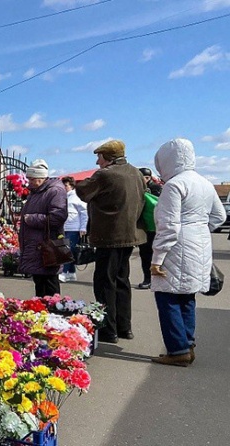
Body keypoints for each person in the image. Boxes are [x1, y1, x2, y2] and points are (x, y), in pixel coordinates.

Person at [149, 139, 224, 367]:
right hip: (200, 244)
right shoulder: (205, 182)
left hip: (176, 246)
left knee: (168, 296)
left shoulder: (174, 185)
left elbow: (169, 226)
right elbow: (219, 216)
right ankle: (187, 344)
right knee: (188, 296)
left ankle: (177, 349)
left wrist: (156, 259)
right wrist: (199, 229)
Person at [75, 140, 146, 344]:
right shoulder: (136, 173)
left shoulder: (105, 174)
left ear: (108, 157)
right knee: (122, 282)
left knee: (105, 282)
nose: (97, 161)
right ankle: (125, 327)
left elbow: (82, 191)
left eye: (99, 157)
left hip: (110, 236)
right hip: (130, 235)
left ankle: (108, 330)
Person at [18, 160, 68, 298]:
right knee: (40, 284)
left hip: (47, 247)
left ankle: (53, 315)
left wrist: (31, 219)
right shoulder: (36, 192)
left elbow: (58, 217)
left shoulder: (55, 191)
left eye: (32, 179)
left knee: (50, 286)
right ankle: (42, 314)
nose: (29, 182)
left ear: (41, 178)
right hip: (37, 246)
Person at [137, 167, 162, 289]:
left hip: (156, 227)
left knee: (156, 255)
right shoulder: (137, 189)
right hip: (144, 227)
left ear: (147, 178)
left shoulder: (157, 189)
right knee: (145, 255)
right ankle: (147, 278)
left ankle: (156, 278)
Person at [59, 176, 87, 283]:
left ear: (71, 186)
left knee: (67, 250)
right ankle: (71, 273)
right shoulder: (63, 197)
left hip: (74, 228)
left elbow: (84, 213)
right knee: (68, 250)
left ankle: (63, 272)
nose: (64, 187)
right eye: (63, 185)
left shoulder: (76, 197)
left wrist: (83, 227)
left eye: (66, 185)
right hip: (65, 227)